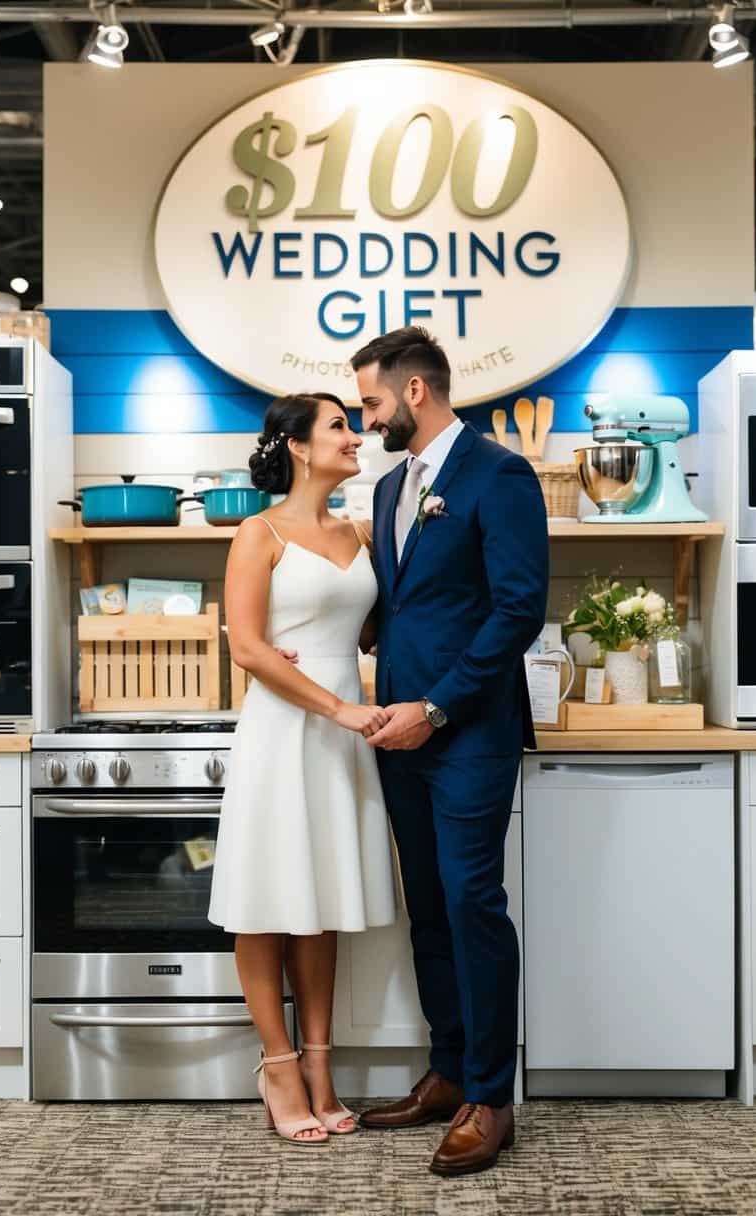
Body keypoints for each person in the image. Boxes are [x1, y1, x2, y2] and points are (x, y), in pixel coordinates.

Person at [353, 327, 549, 1177]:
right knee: (427, 907)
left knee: (472, 902)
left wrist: (434, 707)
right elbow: (405, 608)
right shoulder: (395, 482)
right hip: (395, 730)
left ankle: (490, 1100)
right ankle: (448, 1071)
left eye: (371, 403)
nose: (366, 421)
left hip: (465, 729)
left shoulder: (499, 475)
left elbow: (516, 609)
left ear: (416, 393)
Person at [208, 391, 397, 1145]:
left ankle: (321, 1065)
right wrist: (337, 706)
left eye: (353, 424)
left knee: (318, 899)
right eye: (339, 427)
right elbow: (247, 647)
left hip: (342, 727)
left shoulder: (362, 531)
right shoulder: (258, 533)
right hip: (288, 727)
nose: (355, 437)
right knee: (266, 901)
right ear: (296, 445)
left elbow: (381, 625)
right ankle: (278, 1065)